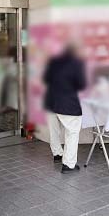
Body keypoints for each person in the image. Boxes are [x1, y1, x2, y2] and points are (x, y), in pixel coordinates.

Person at [43, 44, 87, 174]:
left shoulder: (53, 61)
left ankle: (57, 154)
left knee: (54, 130)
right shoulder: (77, 63)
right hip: (67, 103)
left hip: (51, 101)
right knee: (72, 132)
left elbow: (46, 79)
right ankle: (69, 164)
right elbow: (82, 84)